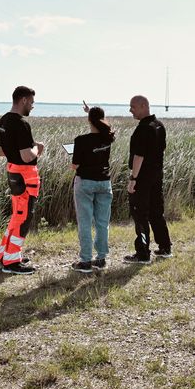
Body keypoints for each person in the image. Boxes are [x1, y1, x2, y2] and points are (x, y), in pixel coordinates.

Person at [0, 85, 44, 275]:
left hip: (13, 172)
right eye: (31, 102)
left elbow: (1, 152)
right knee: (23, 218)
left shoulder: (3, 121)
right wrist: (38, 148)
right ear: (23, 100)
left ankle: (6, 255)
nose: (32, 106)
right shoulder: (21, 124)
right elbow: (26, 156)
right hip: (25, 176)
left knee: (17, 215)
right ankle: (12, 262)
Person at [124, 95, 172, 263]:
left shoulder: (143, 129)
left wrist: (133, 178)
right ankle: (165, 247)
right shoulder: (159, 125)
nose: (130, 110)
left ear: (143, 106)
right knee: (156, 213)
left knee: (140, 215)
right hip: (156, 176)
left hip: (143, 178)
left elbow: (139, 156)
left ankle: (143, 253)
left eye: (133, 107)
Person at [71, 104, 115, 273]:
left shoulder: (81, 140)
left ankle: (85, 261)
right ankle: (101, 258)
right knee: (102, 223)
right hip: (104, 182)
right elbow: (100, 123)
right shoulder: (108, 138)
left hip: (85, 183)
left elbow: (75, 165)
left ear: (89, 120)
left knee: (85, 222)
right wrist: (90, 112)